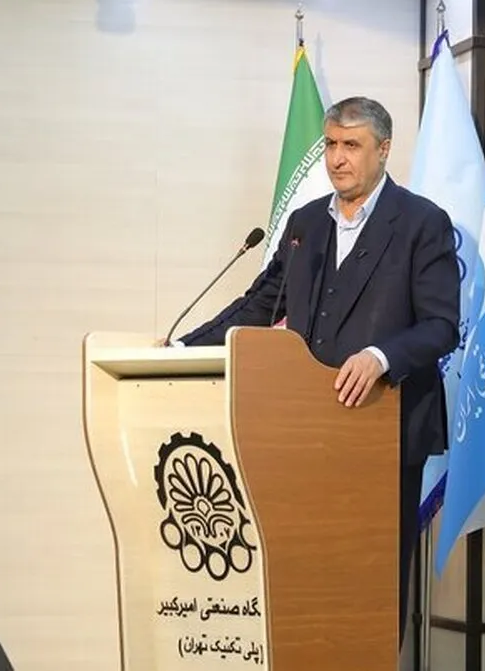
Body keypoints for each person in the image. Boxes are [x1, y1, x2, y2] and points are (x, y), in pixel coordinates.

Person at [174, 96, 460, 646]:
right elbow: (260, 304)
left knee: (370, 583)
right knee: (308, 580)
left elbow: (442, 325)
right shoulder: (305, 224)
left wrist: (381, 357)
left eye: (351, 145)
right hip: (305, 431)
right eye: (330, 144)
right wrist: (183, 346)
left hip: (383, 428)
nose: (336, 158)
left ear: (383, 149)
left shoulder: (422, 223)